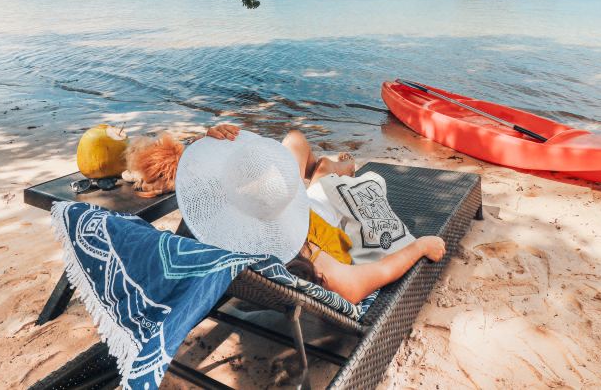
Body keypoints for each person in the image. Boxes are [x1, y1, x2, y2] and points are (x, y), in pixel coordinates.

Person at [177, 123, 446, 305]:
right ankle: (342, 166)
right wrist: (421, 246)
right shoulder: (309, 257)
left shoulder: (207, 226)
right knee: (322, 173)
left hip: (283, 207)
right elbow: (371, 277)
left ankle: (330, 168)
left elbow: (196, 180)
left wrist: (206, 142)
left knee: (295, 140)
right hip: (315, 214)